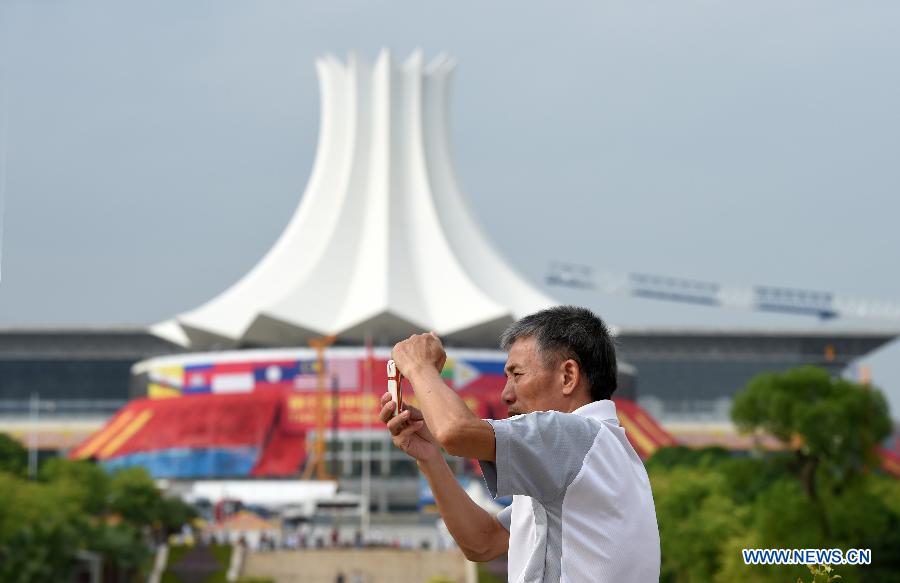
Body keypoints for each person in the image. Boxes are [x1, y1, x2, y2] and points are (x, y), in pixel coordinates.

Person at [380, 306, 660, 582]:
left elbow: (455, 431)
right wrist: (430, 457)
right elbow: (483, 541)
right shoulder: (600, 451)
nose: (506, 394)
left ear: (567, 377)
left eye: (517, 375)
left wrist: (418, 366)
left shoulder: (569, 435)